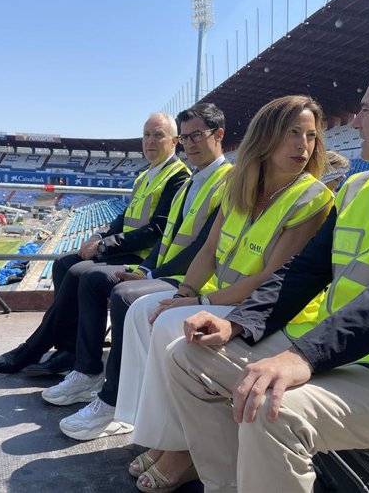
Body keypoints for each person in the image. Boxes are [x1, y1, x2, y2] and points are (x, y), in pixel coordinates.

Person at [161, 53, 369, 493]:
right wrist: (238, 322)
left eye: (367, 109)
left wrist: (303, 356)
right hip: (343, 355)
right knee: (187, 357)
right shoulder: (359, 185)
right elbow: (305, 271)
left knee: (272, 409)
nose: (355, 122)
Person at [116, 95, 335, 492]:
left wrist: (196, 303)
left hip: (275, 316)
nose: (303, 146)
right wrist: (185, 291)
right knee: (145, 310)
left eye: (310, 136)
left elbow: (273, 279)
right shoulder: (240, 184)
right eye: (292, 133)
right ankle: (163, 436)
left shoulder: (313, 197)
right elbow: (209, 250)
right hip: (227, 300)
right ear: (265, 138)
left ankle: (181, 450)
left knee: (171, 324)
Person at [41, 103, 232, 441]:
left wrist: (153, 274)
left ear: (219, 135)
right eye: (185, 137)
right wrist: (145, 268)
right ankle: (87, 371)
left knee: (123, 296)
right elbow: (169, 235)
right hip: (166, 269)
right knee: (95, 280)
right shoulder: (192, 183)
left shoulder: (226, 181)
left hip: (195, 279)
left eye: (196, 136)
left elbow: (204, 248)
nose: (189, 144)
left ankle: (116, 404)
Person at [0, 112, 190, 375]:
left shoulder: (178, 176)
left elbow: (157, 230)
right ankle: (68, 350)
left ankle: (34, 348)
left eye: (158, 135)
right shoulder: (145, 176)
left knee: (76, 272)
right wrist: (98, 235)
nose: (150, 141)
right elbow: (125, 217)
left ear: (174, 141)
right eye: (146, 135)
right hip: (124, 250)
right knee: (62, 264)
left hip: (144, 259)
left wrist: (104, 247)